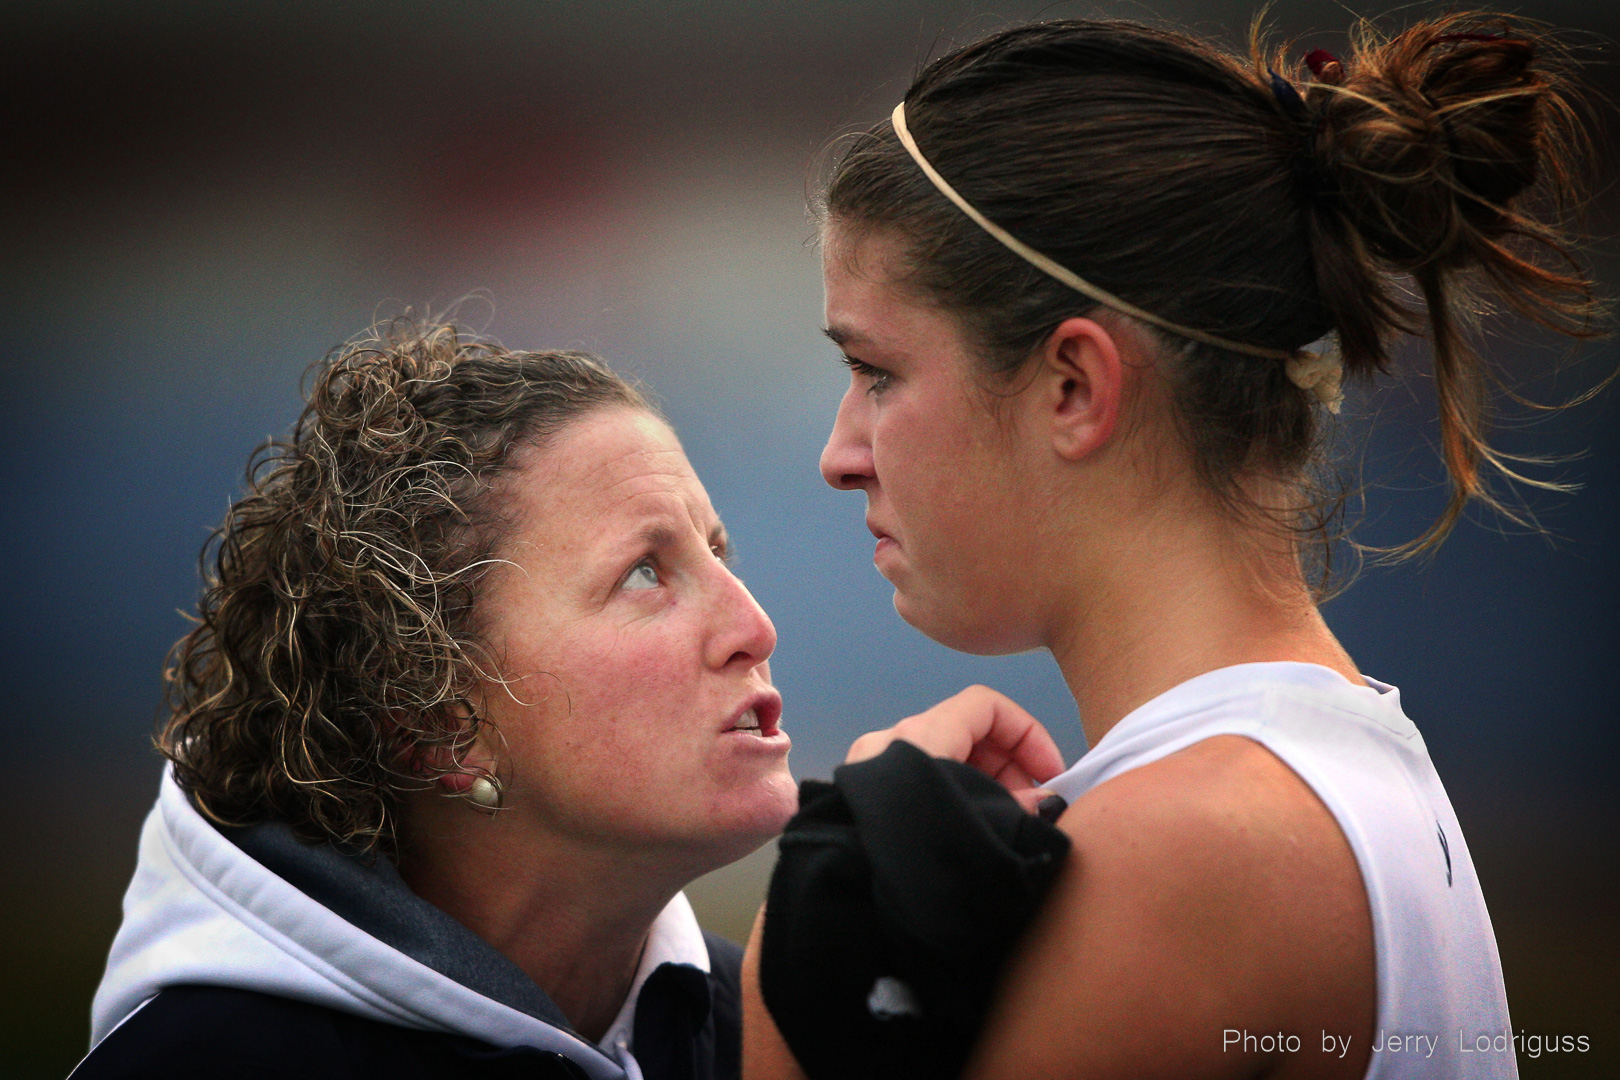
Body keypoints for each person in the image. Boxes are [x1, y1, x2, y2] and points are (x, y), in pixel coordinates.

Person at [745, 13, 1603, 1080]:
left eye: (878, 373)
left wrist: (799, 964)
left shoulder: (1190, 845)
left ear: (1075, 386)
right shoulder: (1339, 770)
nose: (842, 454)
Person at [75, 320, 799, 1080]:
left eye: (717, 552)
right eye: (644, 574)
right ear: (439, 721)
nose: (754, 628)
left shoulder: (769, 1040)